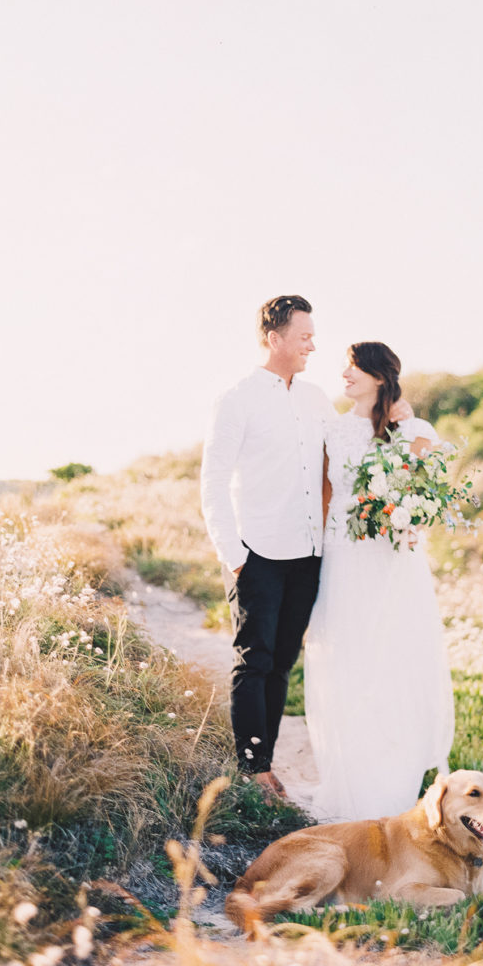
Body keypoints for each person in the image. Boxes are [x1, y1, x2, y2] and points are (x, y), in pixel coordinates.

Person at [304, 341, 455, 822]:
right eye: (345, 366)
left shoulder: (413, 430)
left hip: (391, 564)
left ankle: (392, 780)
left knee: (391, 660)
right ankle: (348, 777)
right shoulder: (332, 428)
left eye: (354, 367)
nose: (344, 374)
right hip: (343, 559)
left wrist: (405, 519)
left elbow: (427, 497)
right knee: (345, 661)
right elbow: (325, 493)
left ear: (377, 375)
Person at [201, 295, 333, 802]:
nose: (312, 345)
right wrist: (234, 553)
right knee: (253, 660)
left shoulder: (317, 398)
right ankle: (251, 765)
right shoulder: (236, 398)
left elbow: (342, 454)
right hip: (255, 551)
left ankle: (266, 759)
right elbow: (212, 481)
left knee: (281, 662)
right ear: (274, 338)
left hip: (308, 552)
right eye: (304, 336)